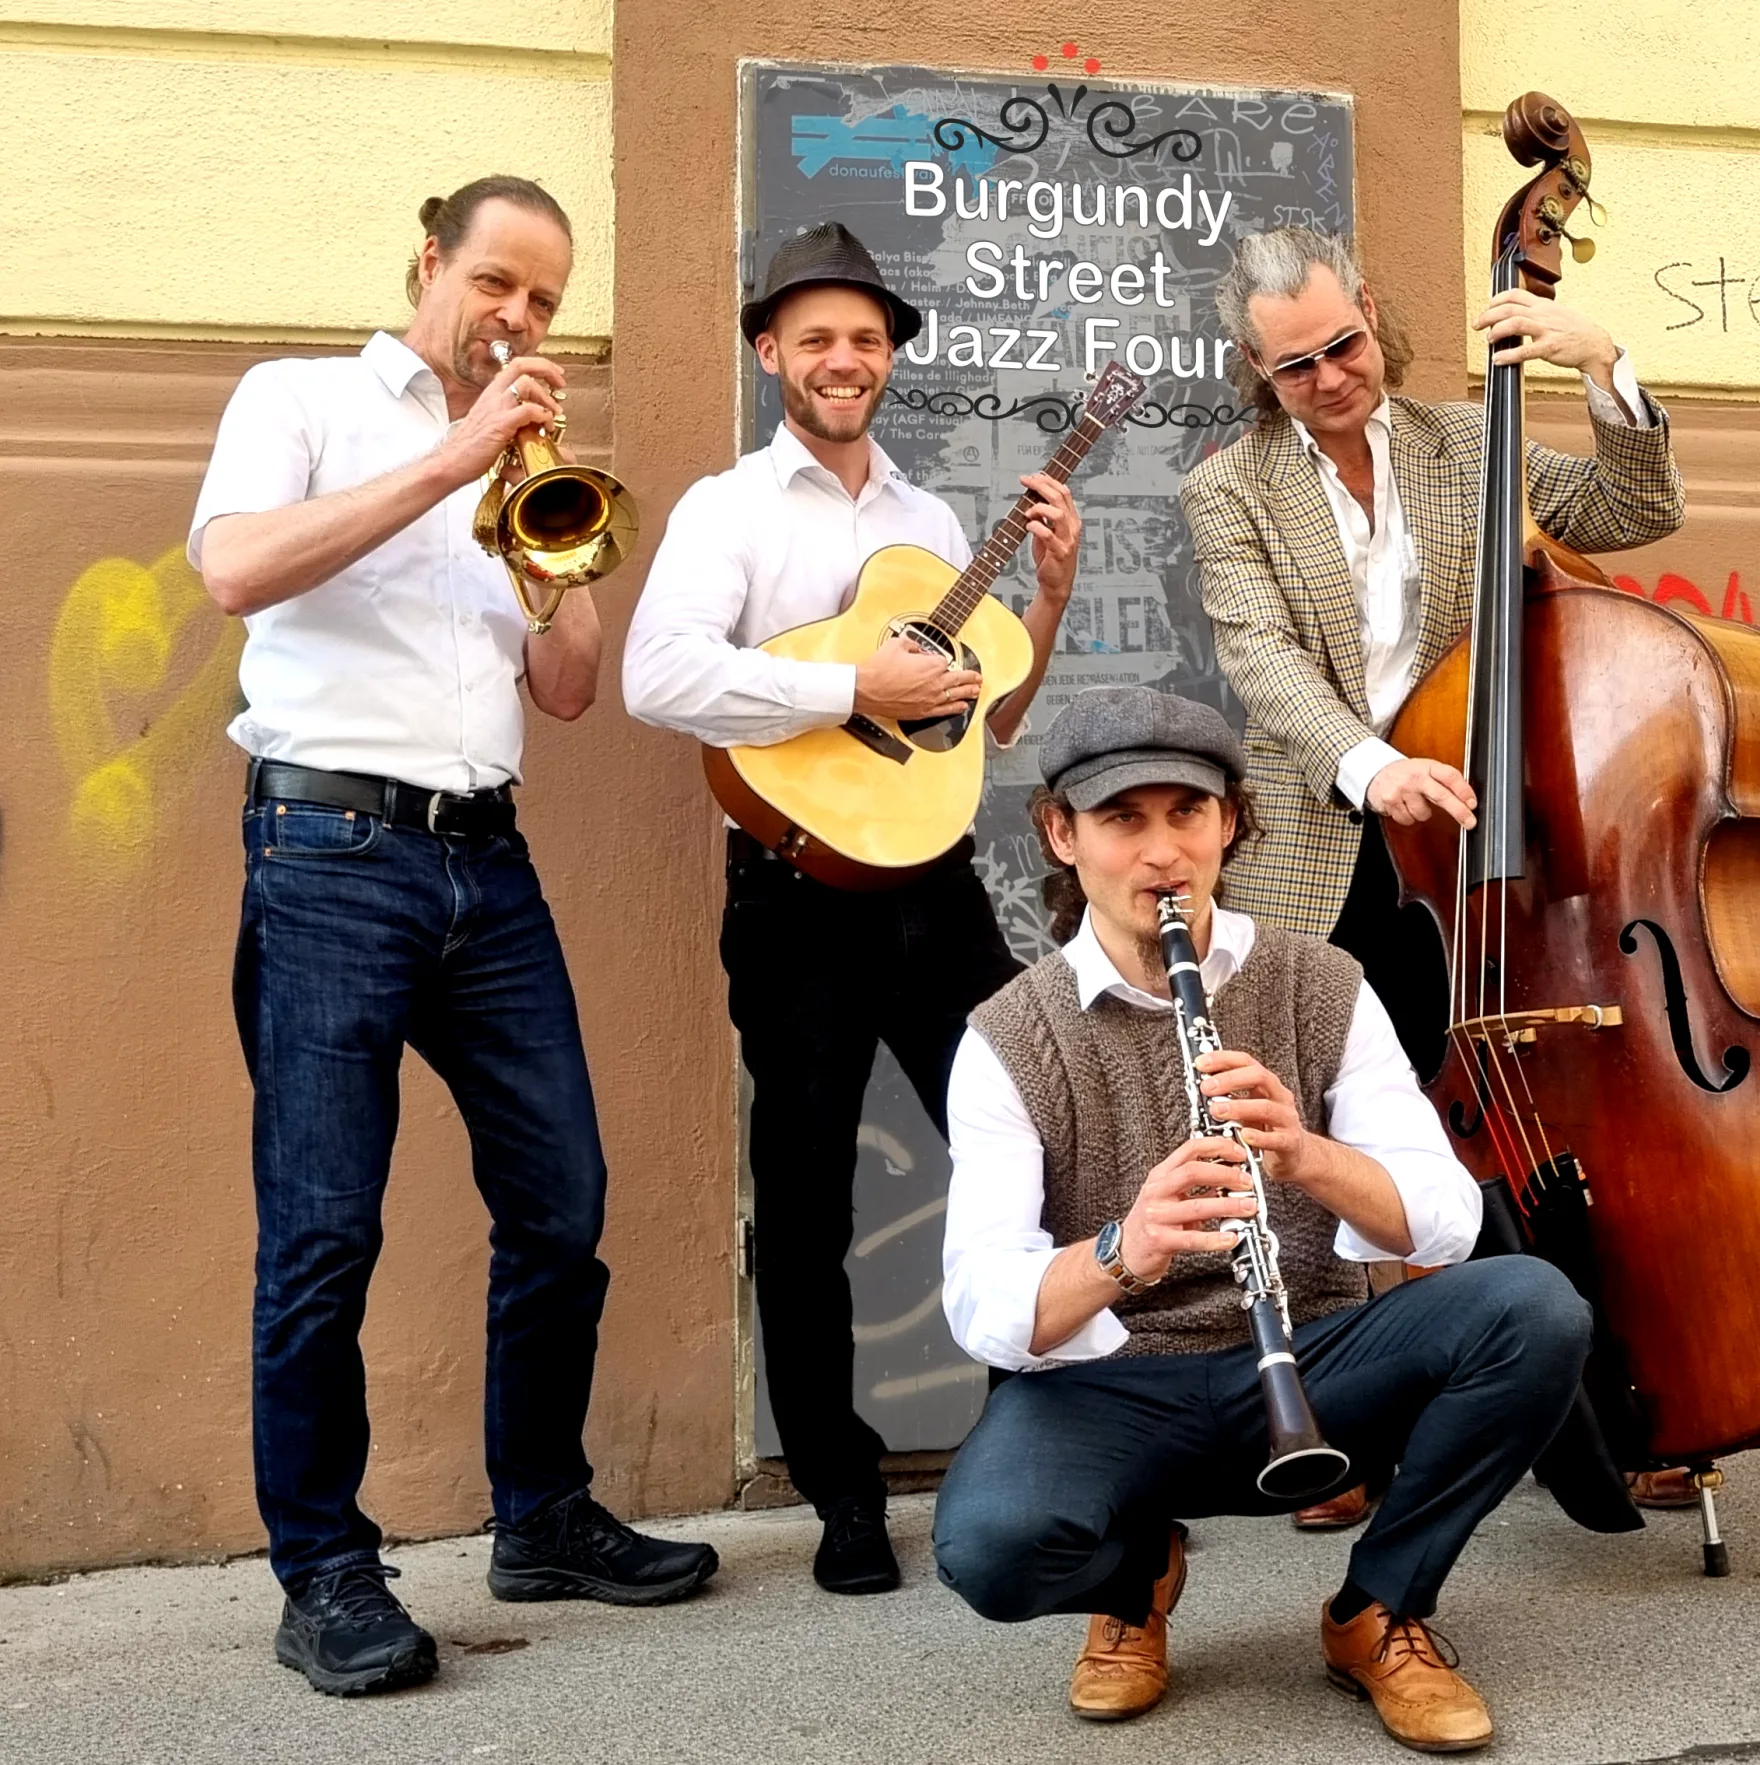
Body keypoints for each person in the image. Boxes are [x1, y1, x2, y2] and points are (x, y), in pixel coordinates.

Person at [191, 176, 716, 1698]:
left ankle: (541, 1512)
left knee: (563, 1201)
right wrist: (459, 454)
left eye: (546, 304)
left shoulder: (519, 472)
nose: (519, 321)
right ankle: (326, 1571)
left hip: (485, 861)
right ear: (430, 261)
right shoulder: (299, 400)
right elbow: (234, 570)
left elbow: (563, 692)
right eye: (498, 284)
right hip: (326, 851)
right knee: (323, 1232)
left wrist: (556, 570)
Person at [932, 685, 1592, 1751]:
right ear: (1061, 833)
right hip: (1114, 1388)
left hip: (1313, 1364)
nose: (1161, 855)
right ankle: (1135, 1579)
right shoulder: (1008, 1037)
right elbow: (981, 1300)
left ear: (1229, 821)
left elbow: (1440, 1220)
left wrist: (1306, 1156)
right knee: (991, 1548)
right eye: (1121, 820)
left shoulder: (1322, 984)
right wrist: (1121, 1249)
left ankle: (1379, 1606)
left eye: (1186, 814)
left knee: (1532, 1308)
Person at [621, 222, 1081, 1594]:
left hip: (932, 895)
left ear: (890, 360)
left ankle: (1043, 1433)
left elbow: (982, 719)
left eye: (866, 339)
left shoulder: (932, 526)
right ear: (772, 352)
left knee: (1024, 1147)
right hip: (795, 898)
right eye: (816, 337)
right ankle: (840, 1488)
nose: (843, 359)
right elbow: (659, 677)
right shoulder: (727, 511)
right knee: (808, 1191)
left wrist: (1045, 601)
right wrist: (843, 689)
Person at [1181, 227, 1685, 1076]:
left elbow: (1636, 510)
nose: (1332, 378)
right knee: (1301, 1095)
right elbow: (1260, 655)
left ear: (1370, 311)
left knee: (1463, 1081)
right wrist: (1373, 767)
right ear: (1255, 365)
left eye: (1344, 345)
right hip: (1314, 837)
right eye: (1297, 366)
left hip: (1468, 831)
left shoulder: (1468, 442)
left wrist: (1604, 366)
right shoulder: (1227, 488)